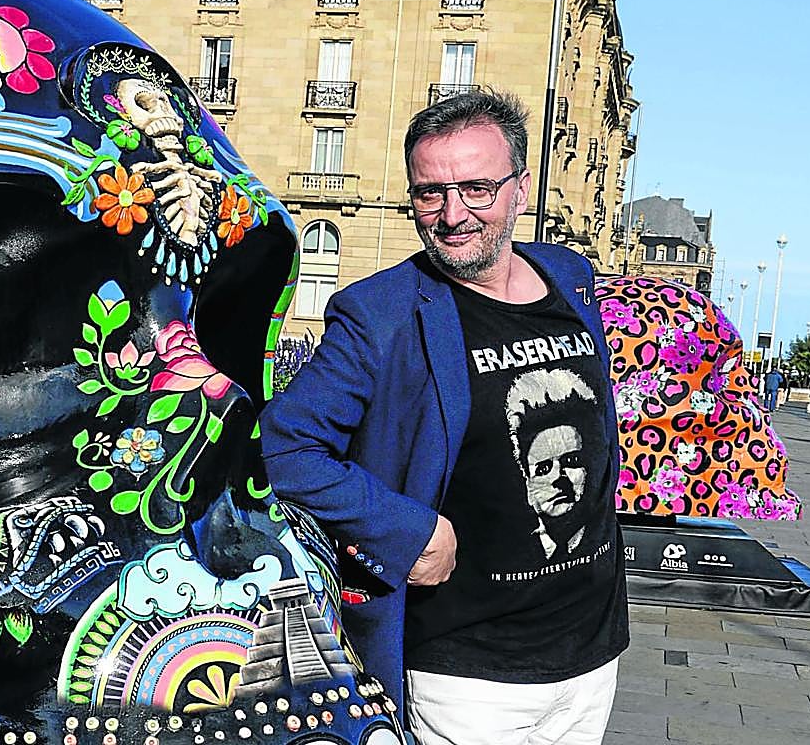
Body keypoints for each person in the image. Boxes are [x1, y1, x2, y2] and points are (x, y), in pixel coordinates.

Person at [261, 90, 628, 745]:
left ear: (518, 188)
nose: (454, 215)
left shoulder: (570, 277)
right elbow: (282, 447)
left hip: (591, 648)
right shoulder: (381, 314)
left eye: (477, 188)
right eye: (430, 193)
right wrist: (403, 529)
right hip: (468, 674)